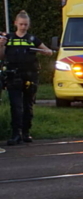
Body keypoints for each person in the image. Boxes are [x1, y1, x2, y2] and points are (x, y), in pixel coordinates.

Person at [1, 11, 54, 145]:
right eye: (21, 24)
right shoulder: (8, 38)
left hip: (30, 76)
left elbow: (47, 51)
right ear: (15, 24)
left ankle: (26, 133)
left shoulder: (32, 39)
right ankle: (15, 134)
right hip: (13, 76)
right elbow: (1, 56)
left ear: (28, 25)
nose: (23, 27)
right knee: (16, 106)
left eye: (25, 25)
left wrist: (47, 51)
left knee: (28, 106)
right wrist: (2, 44)